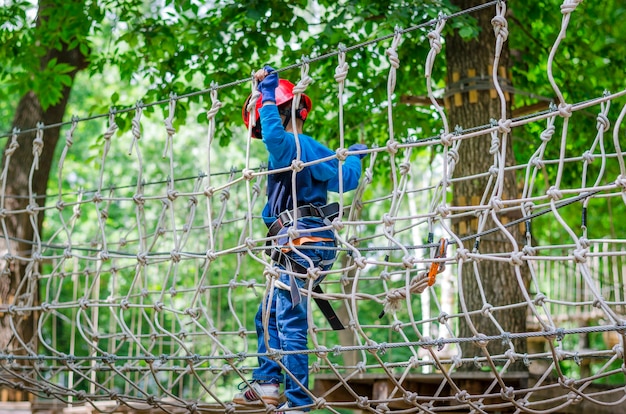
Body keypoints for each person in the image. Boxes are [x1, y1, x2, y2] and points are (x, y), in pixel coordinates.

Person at [233, 66, 367, 413]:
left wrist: (267, 88)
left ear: (279, 114)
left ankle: (297, 403)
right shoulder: (316, 150)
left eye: (266, 122)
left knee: (288, 320)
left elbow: (277, 139)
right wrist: (355, 154)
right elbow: (348, 178)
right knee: (268, 315)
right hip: (313, 245)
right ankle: (267, 382)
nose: (264, 136)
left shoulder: (287, 146)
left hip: (301, 242)